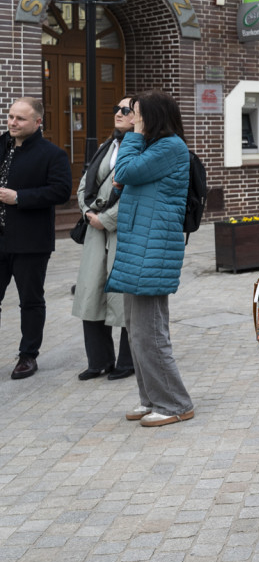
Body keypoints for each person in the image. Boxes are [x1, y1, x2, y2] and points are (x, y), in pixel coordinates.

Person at [106, 90, 193, 426]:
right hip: (139, 246)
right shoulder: (154, 146)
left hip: (152, 248)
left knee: (151, 332)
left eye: (135, 112)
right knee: (137, 331)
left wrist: (135, 136)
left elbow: (125, 172)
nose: (129, 117)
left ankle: (175, 404)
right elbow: (123, 178)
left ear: (152, 116)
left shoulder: (170, 147)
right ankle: (151, 398)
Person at [0, 97, 72, 379]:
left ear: (37, 122)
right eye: (10, 116)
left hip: (31, 242)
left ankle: (28, 355)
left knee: (30, 300)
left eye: (20, 118)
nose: (13, 122)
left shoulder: (52, 154)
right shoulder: (1, 145)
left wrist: (19, 197)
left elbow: (60, 192)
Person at [71, 99, 136, 381]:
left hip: (124, 232)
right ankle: (98, 361)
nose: (118, 114)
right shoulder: (106, 147)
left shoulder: (143, 149)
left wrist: (107, 219)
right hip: (96, 231)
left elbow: (136, 192)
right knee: (90, 290)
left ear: (140, 117)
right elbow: (85, 185)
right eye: (116, 109)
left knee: (123, 296)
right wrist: (88, 214)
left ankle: (127, 361)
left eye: (125, 110)